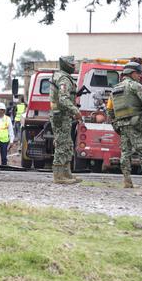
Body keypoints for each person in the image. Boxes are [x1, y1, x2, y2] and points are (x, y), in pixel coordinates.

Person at [107, 61, 142, 189]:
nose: (140, 76)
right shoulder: (136, 86)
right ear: (132, 73)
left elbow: (110, 110)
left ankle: (127, 181)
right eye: (138, 73)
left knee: (125, 153)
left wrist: (115, 124)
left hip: (122, 125)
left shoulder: (115, 88)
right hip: (136, 124)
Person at [50, 55, 84, 185]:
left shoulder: (60, 76)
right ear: (66, 65)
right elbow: (64, 99)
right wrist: (76, 112)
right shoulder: (64, 78)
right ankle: (58, 176)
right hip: (61, 115)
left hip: (62, 115)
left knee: (68, 144)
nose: (74, 67)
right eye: (72, 64)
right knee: (62, 144)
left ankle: (66, 174)